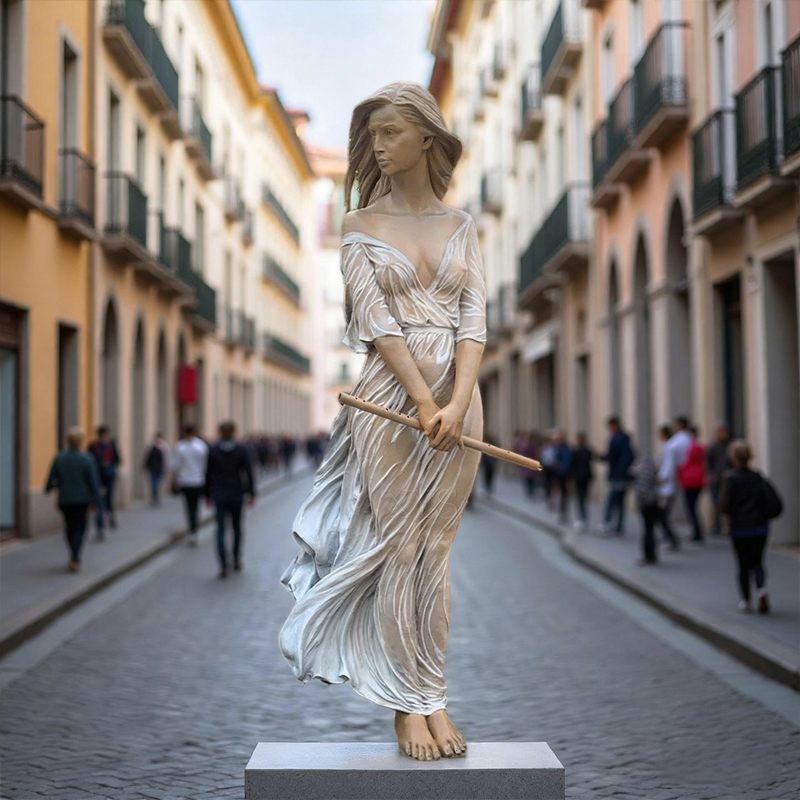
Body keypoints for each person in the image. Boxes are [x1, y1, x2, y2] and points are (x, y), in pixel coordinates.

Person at [280, 82, 484, 762]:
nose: (377, 145)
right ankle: (406, 704)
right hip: (391, 398)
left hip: (458, 397)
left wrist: (456, 402)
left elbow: (474, 321)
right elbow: (376, 321)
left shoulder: (462, 225)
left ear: (426, 137)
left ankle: (436, 694)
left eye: (391, 131)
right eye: (371, 135)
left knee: (438, 552)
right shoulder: (360, 225)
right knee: (400, 547)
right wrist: (425, 404)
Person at [719, 440, 783, 613]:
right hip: (759, 527)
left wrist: (726, 522)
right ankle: (761, 589)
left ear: (733, 458)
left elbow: (724, 505)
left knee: (742, 564)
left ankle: (746, 600)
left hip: (740, 528)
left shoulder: (731, 479)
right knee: (758, 561)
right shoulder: (758, 478)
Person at [45, 427, 102, 572]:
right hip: (81, 500)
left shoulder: (59, 458)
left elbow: (50, 482)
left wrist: (54, 486)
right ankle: (75, 556)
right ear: (81, 441)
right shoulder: (87, 459)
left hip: (65, 500)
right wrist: (97, 501)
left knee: (69, 528)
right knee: (80, 528)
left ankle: (73, 556)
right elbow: (93, 482)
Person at [205, 421, 256, 579]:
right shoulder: (241, 449)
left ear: (220, 432)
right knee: (237, 528)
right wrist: (251, 493)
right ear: (234, 432)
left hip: (220, 494)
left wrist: (208, 495)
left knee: (220, 529)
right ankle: (236, 558)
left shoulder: (213, 450)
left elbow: (208, 474)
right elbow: (248, 472)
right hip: (236, 493)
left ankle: (223, 565)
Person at [171, 423, 209, 546]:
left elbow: (176, 465)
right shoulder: (201, 446)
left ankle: (192, 530)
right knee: (195, 506)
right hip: (197, 480)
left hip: (186, 480)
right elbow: (205, 465)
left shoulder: (180, 446)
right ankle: (194, 530)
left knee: (188, 507)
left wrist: (175, 480)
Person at [599, 416, 634, 535]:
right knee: (620, 502)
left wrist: (602, 457)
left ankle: (608, 523)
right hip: (622, 475)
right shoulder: (624, 438)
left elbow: (613, 456)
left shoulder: (617, 438)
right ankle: (619, 526)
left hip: (618, 475)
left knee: (612, 501)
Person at [87, 425, 122, 536]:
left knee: (109, 498)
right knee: (99, 501)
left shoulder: (111, 445)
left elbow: (117, 459)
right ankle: (101, 526)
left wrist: (110, 465)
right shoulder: (93, 446)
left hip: (109, 476)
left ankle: (110, 516)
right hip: (97, 477)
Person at [678, 425, 706, 542]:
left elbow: (682, 463)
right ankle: (698, 530)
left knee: (691, 508)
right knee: (694, 507)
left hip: (689, 479)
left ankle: (697, 532)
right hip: (699, 479)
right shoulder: (701, 447)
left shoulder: (688, 448)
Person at [655, 425, 681, 550]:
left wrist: (661, 478)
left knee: (663, 515)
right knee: (663, 515)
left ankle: (672, 539)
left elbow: (668, 467)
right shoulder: (669, 446)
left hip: (668, 487)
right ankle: (669, 538)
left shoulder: (669, 447)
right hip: (668, 486)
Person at [632, 456, 661, 564]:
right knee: (651, 530)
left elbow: (641, 490)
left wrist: (642, 501)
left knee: (648, 531)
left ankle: (649, 556)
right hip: (653, 503)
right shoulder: (652, 471)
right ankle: (651, 555)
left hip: (647, 504)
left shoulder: (643, 472)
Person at [706, 423, 732, 535]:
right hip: (716, 480)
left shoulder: (730, 446)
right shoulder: (713, 447)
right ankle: (718, 526)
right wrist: (711, 475)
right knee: (717, 503)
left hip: (728, 480)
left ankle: (727, 527)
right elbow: (708, 463)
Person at [571, 432, 594, 531]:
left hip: (584, 478)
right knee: (580, 499)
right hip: (578, 478)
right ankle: (582, 519)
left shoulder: (586, 451)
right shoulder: (576, 451)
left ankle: (583, 519)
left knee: (583, 499)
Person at [142, 432, 169, 506]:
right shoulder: (150, 445)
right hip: (152, 468)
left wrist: (166, 467)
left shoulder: (164, 446)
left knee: (158, 483)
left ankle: (156, 497)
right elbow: (147, 456)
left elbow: (166, 458)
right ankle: (155, 497)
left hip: (160, 468)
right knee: (154, 483)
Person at [552, 430, 573, 524]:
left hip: (563, 474)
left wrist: (560, 468)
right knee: (561, 494)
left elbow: (566, 462)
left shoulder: (564, 448)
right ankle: (561, 512)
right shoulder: (559, 448)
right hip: (560, 474)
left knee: (563, 494)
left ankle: (563, 512)